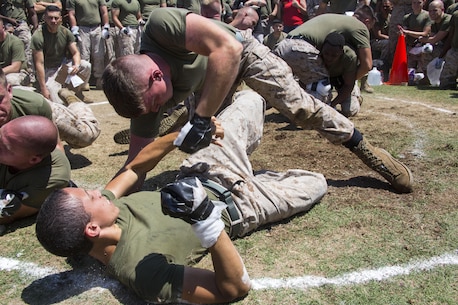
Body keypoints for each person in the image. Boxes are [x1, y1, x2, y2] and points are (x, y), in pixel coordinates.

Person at [35, 90, 327, 303]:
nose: (99, 191)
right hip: (243, 204)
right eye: (91, 197)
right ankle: (256, 176)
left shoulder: (108, 210)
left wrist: (179, 137)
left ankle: (208, 126)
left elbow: (136, 166)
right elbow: (233, 289)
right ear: (92, 229)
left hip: (205, 166)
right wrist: (206, 220)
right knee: (316, 182)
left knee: (251, 99)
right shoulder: (142, 273)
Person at [102, 7, 413, 193]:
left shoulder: (160, 25)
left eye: (156, 104)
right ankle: (183, 117)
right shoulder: (144, 97)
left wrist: (200, 117)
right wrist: (107, 201)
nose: (152, 110)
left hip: (242, 52)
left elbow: (227, 50)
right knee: (208, 131)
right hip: (207, 85)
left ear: (156, 77)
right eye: (152, 109)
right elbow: (135, 166)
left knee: (300, 107)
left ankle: (362, 146)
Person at [0, 67, 100, 149]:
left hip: (38, 107)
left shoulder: (34, 105)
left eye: (0, 99)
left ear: (8, 91)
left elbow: (57, 150)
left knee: (86, 135)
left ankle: (74, 102)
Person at [0, 115, 71, 227]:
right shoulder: (10, 142)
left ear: (34, 159)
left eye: (4, 147)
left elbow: (8, 213)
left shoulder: (51, 179)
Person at [275, 31, 361, 117]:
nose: (329, 58)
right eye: (326, 53)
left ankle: (357, 96)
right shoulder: (313, 55)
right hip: (324, 78)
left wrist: (332, 104)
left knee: (350, 110)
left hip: (342, 79)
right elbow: (304, 81)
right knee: (320, 90)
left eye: (334, 55)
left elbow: (348, 85)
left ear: (341, 52)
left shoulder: (350, 57)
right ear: (322, 48)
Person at [31, 5, 92, 104]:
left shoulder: (65, 32)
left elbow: (75, 52)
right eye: (50, 18)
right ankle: (42, 86)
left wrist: (76, 65)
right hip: (48, 70)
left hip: (62, 67)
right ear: (45, 18)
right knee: (57, 101)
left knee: (85, 66)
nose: (53, 21)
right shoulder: (38, 36)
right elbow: (39, 64)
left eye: (56, 18)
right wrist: (43, 88)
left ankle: (78, 93)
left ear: (60, 19)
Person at [66, 0, 109, 90]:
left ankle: (99, 79)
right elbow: (71, 14)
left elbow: (104, 11)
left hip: (96, 27)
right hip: (82, 28)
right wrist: (74, 27)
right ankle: (84, 81)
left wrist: (106, 26)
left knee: (99, 54)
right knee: (84, 55)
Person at [0, 0, 38, 80]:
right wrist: (8, 19)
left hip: (20, 23)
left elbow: (32, 12)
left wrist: (35, 27)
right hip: (5, 23)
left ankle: (30, 75)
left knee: (28, 45)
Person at [417, 0, 451, 85]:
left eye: (435, 10)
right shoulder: (434, 22)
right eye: (430, 11)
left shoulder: (447, 20)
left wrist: (423, 39)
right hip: (443, 47)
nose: (432, 13)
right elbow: (431, 39)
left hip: (452, 48)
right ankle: (427, 77)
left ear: (442, 10)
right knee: (426, 51)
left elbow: (434, 39)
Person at [399, 0, 432, 76]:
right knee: (408, 70)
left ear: (424, 2)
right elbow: (404, 32)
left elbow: (425, 33)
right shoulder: (407, 17)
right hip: (410, 47)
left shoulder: (427, 16)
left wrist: (407, 32)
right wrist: (402, 33)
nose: (416, 5)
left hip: (423, 46)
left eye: (419, 2)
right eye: (414, 2)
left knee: (422, 70)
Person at [0, 17, 30, 87]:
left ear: (3, 28)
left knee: (8, 80)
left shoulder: (15, 42)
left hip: (17, 73)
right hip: (2, 72)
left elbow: (15, 67)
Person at [371, 0, 392, 80]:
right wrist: (391, 38)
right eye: (383, 6)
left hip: (387, 40)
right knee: (387, 44)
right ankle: (382, 64)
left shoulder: (391, 17)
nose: (385, 8)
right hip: (374, 41)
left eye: (387, 6)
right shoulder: (377, 18)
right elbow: (378, 35)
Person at [438, 10, 458, 89]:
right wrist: (443, 54)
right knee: (445, 84)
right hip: (455, 50)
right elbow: (451, 35)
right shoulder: (456, 15)